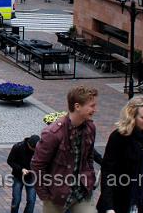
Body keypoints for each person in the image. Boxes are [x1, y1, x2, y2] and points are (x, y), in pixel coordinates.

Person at [97, 96, 143, 213]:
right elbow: (108, 172)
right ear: (132, 117)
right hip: (122, 196)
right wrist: (108, 206)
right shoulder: (118, 137)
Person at [31, 85, 99, 213]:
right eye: (92, 106)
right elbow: (37, 165)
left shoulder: (90, 128)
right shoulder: (53, 133)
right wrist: (45, 197)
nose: (95, 109)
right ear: (77, 106)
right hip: (57, 197)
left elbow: (89, 157)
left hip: (82, 193)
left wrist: (90, 178)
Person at [7, 135, 40, 213]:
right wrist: (21, 169)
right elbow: (10, 161)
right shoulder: (18, 147)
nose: (36, 150)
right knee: (16, 200)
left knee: (31, 201)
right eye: (34, 149)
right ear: (29, 144)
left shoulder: (40, 149)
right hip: (18, 177)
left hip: (32, 177)